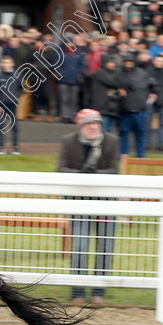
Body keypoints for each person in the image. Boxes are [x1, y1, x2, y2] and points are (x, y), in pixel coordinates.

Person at [58, 109, 121, 307]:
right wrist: (81, 174)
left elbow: (113, 169)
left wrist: (95, 175)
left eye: (97, 123)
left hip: (106, 203)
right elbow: (61, 169)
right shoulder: (68, 141)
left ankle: (98, 292)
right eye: (89, 123)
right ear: (81, 126)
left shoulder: (111, 141)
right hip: (80, 201)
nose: (94, 127)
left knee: (105, 247)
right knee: (81, 246)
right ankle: (77, 291)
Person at [117, 53, 150, 157]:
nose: (128, 64)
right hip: (125, 110)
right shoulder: (119, 74)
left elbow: (145, 87)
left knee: (140, 134)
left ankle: (141, 156)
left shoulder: (142, 74)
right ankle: (124, 155)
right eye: (126, 62)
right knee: (124, 134)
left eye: (130, 62)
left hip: (140, 110)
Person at [0, 56, 23, 154]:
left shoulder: (17, 75)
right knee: (1, 126)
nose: (6, 65)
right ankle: (1, 147)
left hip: (13, 105)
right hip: (1, 105)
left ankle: (15, 147)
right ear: (1, 64)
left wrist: (16, 97)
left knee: (14, 126)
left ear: (12, 64)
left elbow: (21, 89)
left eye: (8, 63)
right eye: (4, 63)